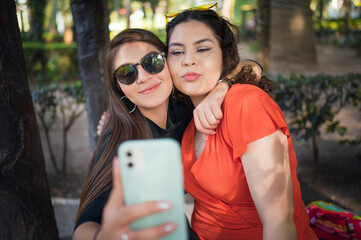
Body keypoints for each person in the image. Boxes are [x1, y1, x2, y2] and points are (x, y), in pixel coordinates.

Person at [73, 28, 262, 240]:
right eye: (127, 73)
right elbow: (83, 227)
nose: (143, 77)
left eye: (152, 62)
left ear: (169, 63)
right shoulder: (121, 141)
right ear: (119, 88)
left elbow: (251, 67)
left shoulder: (187, 105)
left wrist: (219, 90)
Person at [165, 6, 318, 240]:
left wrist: (221, 88)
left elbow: (280, 224)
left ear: (226, 57)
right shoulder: (184, 115)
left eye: (203, 49)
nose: (188, 61)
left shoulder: (246, 104)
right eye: (176, 52)